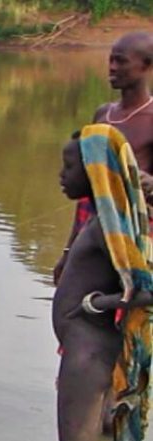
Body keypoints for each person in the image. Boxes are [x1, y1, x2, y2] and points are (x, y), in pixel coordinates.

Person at [52, 125, 153, 441]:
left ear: (94, 172)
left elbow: (146, 289)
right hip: (86, 350)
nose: (62, 175)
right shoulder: (101, 222)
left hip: (88, 353)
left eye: (69, 167)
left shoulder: (110, 230)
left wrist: (96, 304)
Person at [56, 32, 153, 284]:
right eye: (111, 60)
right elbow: (88, 190)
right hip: (94, 226)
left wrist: (146, 182)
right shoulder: (103, 114)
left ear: (146, 66)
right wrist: (69, 250)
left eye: (121, 61)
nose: (112, 67)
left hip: (134, 236)